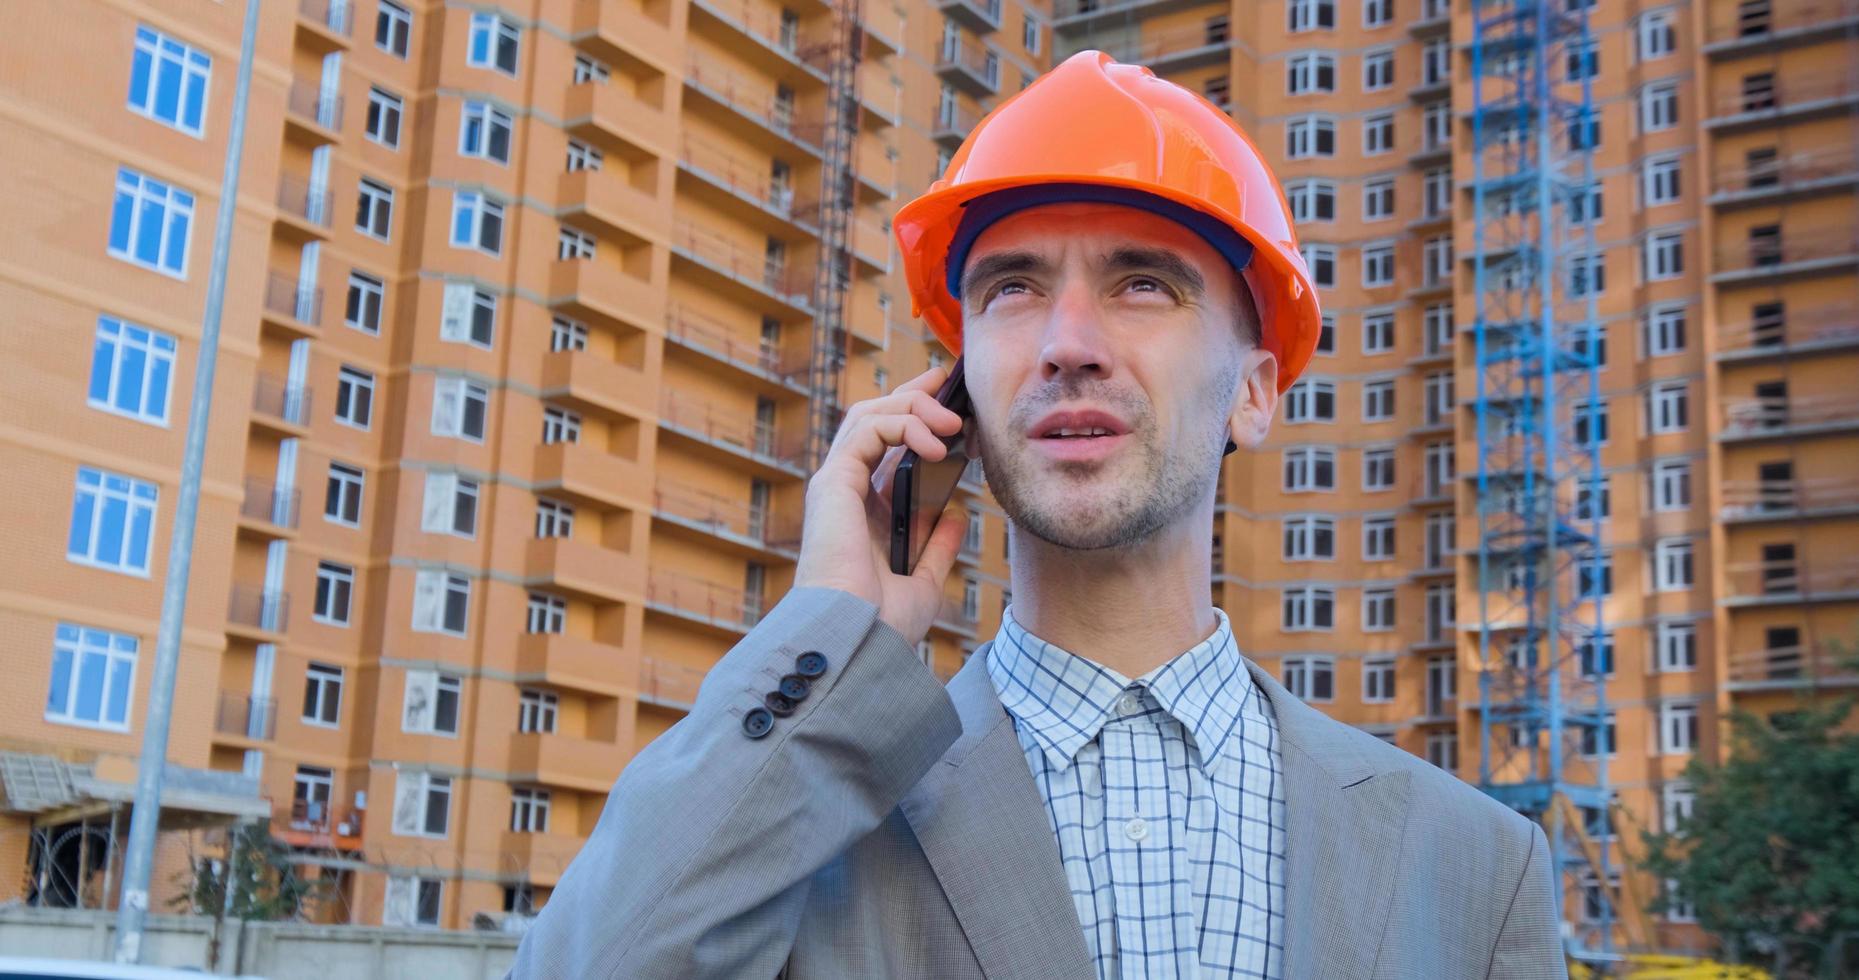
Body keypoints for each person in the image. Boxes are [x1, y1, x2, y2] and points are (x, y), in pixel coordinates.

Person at [509, 51, 1565, 979]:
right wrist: (834, 628)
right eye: (1011, 288)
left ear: (1253, 390)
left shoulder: (1470, 864)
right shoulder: (798, 818)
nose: (1067, 340)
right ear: (955, 382)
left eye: (1142, 283)